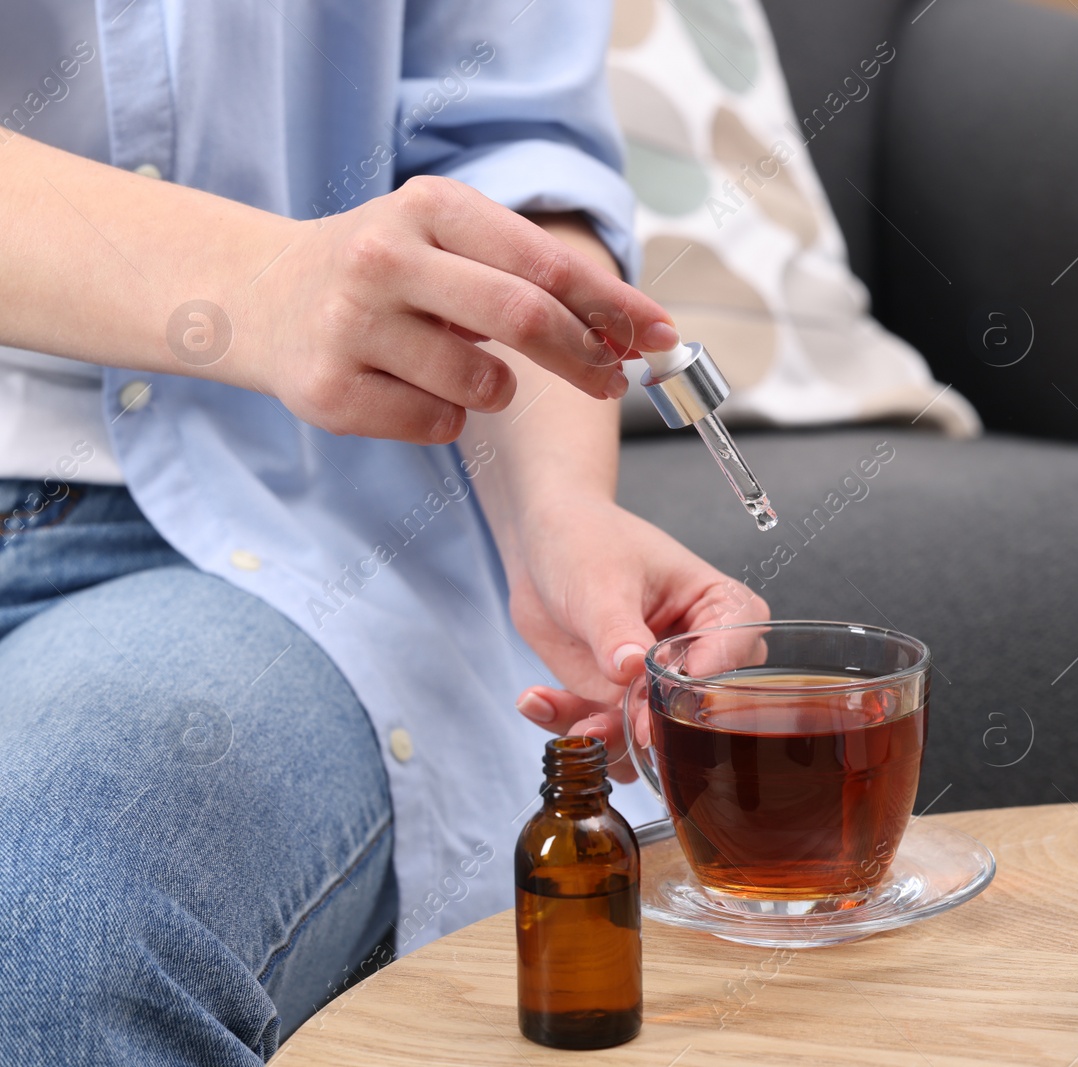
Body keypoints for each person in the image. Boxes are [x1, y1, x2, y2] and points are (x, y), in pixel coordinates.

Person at [0, 2, 766, 1062]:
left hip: (240, 535)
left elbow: (504, 161)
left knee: (58, 905)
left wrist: (558, 516)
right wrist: (263, 284)